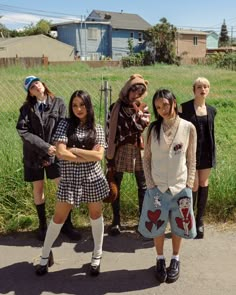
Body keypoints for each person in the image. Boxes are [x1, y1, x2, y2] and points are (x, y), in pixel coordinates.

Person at [35, 90, 109, 276]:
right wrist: (85, 156)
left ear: (88, 105)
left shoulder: (97, 128)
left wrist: (73, 149)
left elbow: (99, 156)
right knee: (58, 217)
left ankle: (97, 255)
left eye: (82, 104)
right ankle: (44, 256)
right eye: (75, 105)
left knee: (95, 214)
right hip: (69, 179)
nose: (78, 109)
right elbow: (60, 152)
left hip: (92, 178)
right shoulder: (64, 125)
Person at [138, 89, 197, 284]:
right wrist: (150, 183)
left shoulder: (188, 128)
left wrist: (189, 184)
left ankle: (175, 258)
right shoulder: (152, 129)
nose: (162, 109)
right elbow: (146, 159)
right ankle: (160, 258)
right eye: (157, 107)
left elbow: (191, 158)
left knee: (179, 226)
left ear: (173, 102)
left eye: (165, 104)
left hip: (180, 186)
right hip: (157, 188)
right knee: (157, 226)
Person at [16, 76, 81, 241]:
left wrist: (55, 147)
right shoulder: (26, 109)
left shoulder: (58, 103)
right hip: (33, 156)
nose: (36, 87)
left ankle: (67, 224)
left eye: (36, 83)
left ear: (43, 84)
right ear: (30, 93)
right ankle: (43, 226)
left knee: (63, 188)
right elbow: (23, 132)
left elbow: (63, 125)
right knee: (38, 190)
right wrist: (45, 148)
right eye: (31, 87)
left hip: (55, 154)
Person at [106, 74, 150, 236]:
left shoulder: (143, 108)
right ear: (127, 90)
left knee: (143, 186)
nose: (136, 94)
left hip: (137, 149)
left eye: (140, 91)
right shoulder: (115, 108)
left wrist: (136, 109)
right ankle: (116, 221)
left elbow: (140, 125)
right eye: (134, 90)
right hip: (119, 149)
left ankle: (143, 220)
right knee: (115, 184)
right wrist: (108, 153)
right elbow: (109, 130)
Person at [179, 77, 217, 239]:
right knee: (193, 185)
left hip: (207, 152)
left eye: (206, 86)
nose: (203, 89)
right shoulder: (184, 108)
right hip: (190, 153)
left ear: (208, 90)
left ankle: (200, 220)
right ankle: (190, 219)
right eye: (199, 86)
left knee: (203, 183)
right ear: (194, 89)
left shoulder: (212, 110)